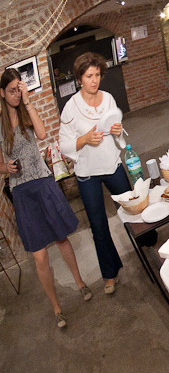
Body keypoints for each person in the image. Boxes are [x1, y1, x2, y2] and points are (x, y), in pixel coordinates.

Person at [0, 69, 91, 328]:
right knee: (39, 256)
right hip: (22, 192)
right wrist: (6, 168)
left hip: (42, 183)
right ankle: (56, 307)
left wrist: (28, 101)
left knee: (61, 238)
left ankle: (80, 282)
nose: (16, 94)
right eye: (12, 91)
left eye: (19, 89)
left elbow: (41, 134)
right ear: (2, 93)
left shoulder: (26, 112)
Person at [59, 52, 128, 296]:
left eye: (97, 74)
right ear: (79, 78)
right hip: (87, 173)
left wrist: (118, 131)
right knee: (98, 225)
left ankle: (146, 243)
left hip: (112, 164)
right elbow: (64, 145)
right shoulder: (71, 107)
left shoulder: (108, 98)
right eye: (89, 76)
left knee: (132, 209)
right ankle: (110, 273)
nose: (94, 80)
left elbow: (117, 130)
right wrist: (85, 139)